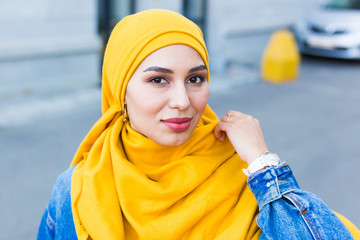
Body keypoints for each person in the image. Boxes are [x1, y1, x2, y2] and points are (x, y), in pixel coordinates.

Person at [37, 9, 360, 240]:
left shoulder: (245, 177)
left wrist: (263, 164)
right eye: (158, 79)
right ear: (121, 90)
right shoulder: (76, 190)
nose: (182, 100)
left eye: (195, 78)